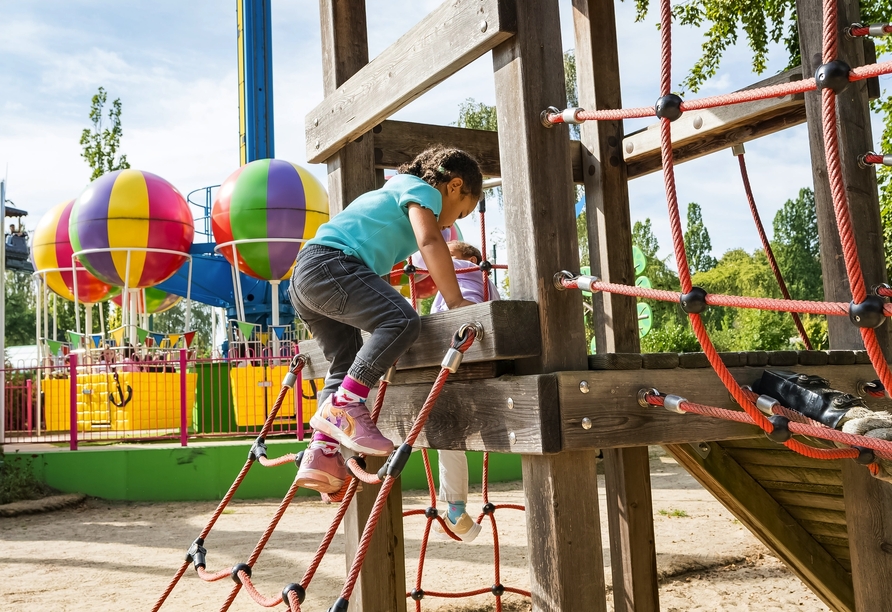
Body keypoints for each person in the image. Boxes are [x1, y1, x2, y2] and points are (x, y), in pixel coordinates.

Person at [289, 146, 483, 494]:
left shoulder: (392, 191)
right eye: (462, 211)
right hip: (331, 265)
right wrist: (454, 300)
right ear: (454, 186)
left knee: (344, 362)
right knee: (403, 321)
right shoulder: (422, 191)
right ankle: (346, 406)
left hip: (308, 278)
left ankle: (322, 454)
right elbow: (429, 240)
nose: (453, 222)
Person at [430, 241, 499, 543]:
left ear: (471, 260)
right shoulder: (479, 282)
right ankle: (455, 509)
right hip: (476, 371)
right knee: (448, 433)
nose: (443, 258)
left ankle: (456, 507)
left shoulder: (467, 274)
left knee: (444, 429)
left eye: (450, 254)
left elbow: (466, 310)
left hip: (467, 369)